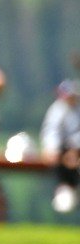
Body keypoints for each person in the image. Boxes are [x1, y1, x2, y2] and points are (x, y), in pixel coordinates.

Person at [40, 78, 80, 213]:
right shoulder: (57, 109)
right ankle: (65, 189)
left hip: (75, 151)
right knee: (59, 161)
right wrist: (52, 149)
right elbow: (51, 130)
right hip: (62, 151)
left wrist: (75, 150)